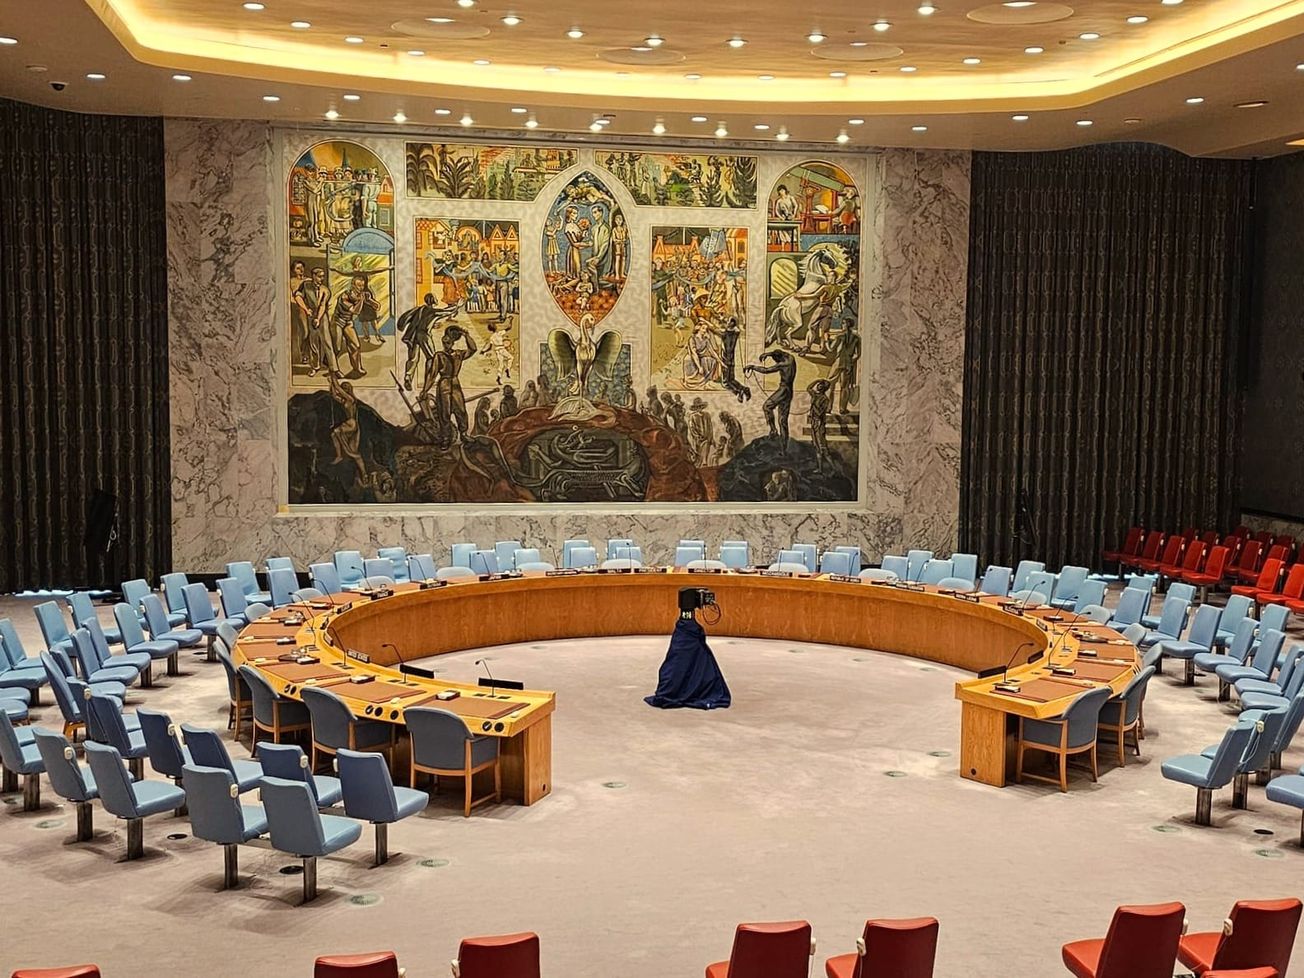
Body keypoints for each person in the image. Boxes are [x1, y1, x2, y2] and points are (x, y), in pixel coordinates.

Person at [431, 325, 478, 439]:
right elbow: (432, 374)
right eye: (444, 343)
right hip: (443, 385)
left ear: (452, 343)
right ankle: (446, 438)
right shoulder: (439, 356)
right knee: (444, 412)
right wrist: (424, 390)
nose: (446, 345)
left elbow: (473, 349)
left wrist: (466, 335)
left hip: (455, 384)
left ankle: (463, 434)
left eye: (448, 343)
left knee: (461, 410)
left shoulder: (458, 354)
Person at [744, 349, 796, 446]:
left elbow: (766, 370)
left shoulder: (782, 364)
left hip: (783, 390)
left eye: (775, 360)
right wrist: (768, 354)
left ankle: (773, 430)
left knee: (767, 406)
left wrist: (753, 367)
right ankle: (784, 447)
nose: (776, 362)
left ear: (779, 358)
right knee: (783, 421)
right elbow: (782, 353)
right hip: (789, 391)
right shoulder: (791, 358)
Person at [294, 266, 334, 377]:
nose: (322, 279)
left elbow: (322, 306)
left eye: (323, 276)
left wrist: (318, 318)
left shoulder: (325, 290)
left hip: (322, 316)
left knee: (327, 341)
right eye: (320, 276)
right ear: (314, 276)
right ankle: (315, 367)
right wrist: (307, 310)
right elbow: (297, 297)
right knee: (313, 343)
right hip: (311, 316)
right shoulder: (305, 285)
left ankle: (333, 369)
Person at [327, 374, 367, 484]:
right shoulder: (344, 401)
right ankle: (363, 473)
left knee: (336, 432)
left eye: (345, 388)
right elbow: (334, 395)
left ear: (348, 389)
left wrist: (334, 378)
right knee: (334, 435)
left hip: (351, 424)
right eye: (343, 387)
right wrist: (331, 384)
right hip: (348, 424)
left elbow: (338, 390)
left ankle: (341, 455)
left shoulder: (351, 399)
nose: (343, 390)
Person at [330, 274, 370, 379]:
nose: (361, 288)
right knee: (337, 347)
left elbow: (368, 301)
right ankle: (332, 367)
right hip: (337, 322)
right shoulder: (345, 296)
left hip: (348, 322)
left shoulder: (359, 294)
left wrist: (375, 304)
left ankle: (357, 368)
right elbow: (355, 310)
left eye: (362, 286)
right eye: (358, 286)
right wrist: (362, 300)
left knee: (355, 345)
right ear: (353, 285)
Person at [718, 317, 749, 402]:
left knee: (726, 383)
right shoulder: (734, 333)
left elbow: (729, 348)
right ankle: (745, 389)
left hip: (727, 358)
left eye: (728, 321)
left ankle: (738, 392)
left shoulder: (727, 334)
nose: (727, 322)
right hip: (731, 359)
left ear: (732, 323)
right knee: (731, 379)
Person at [806, 379, 833, 473]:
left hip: (819, 423)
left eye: (821, 385)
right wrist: (817, 380)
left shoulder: (825, 399)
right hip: (813, 423)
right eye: (818, 385)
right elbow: (808, 388)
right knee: (816, 447)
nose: (818, 386)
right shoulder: (815, 395)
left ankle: (833, 469)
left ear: (824, 388)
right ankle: (820, 469)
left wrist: (814, 405)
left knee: (823, 447)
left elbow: (820, 413)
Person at [687, 397, 714, 467]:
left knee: (706, 451)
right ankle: (699, 465)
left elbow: (710, 426)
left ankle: (705, 463)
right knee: (698, 453)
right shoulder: (692, 416)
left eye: (700, 406)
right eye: (697, 407)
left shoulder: (707, 415)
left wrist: (710, 437)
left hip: (706, 437)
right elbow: (692, 428)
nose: (699, 408)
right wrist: (697, 436)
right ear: (695, 408)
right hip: (698, 439)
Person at [611, 212, 629, 281]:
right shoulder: (614, 230)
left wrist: (624, 239)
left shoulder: (624, 229)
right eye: (617, 220)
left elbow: (626, 237)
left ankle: (622, 273)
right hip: (617, 246)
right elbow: (614, 239)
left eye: (620, 220)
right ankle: (617, 274)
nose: (619, 222)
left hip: (623, 246)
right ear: (615, 221)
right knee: (618, 259)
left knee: (623, 259)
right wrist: (619, 241)